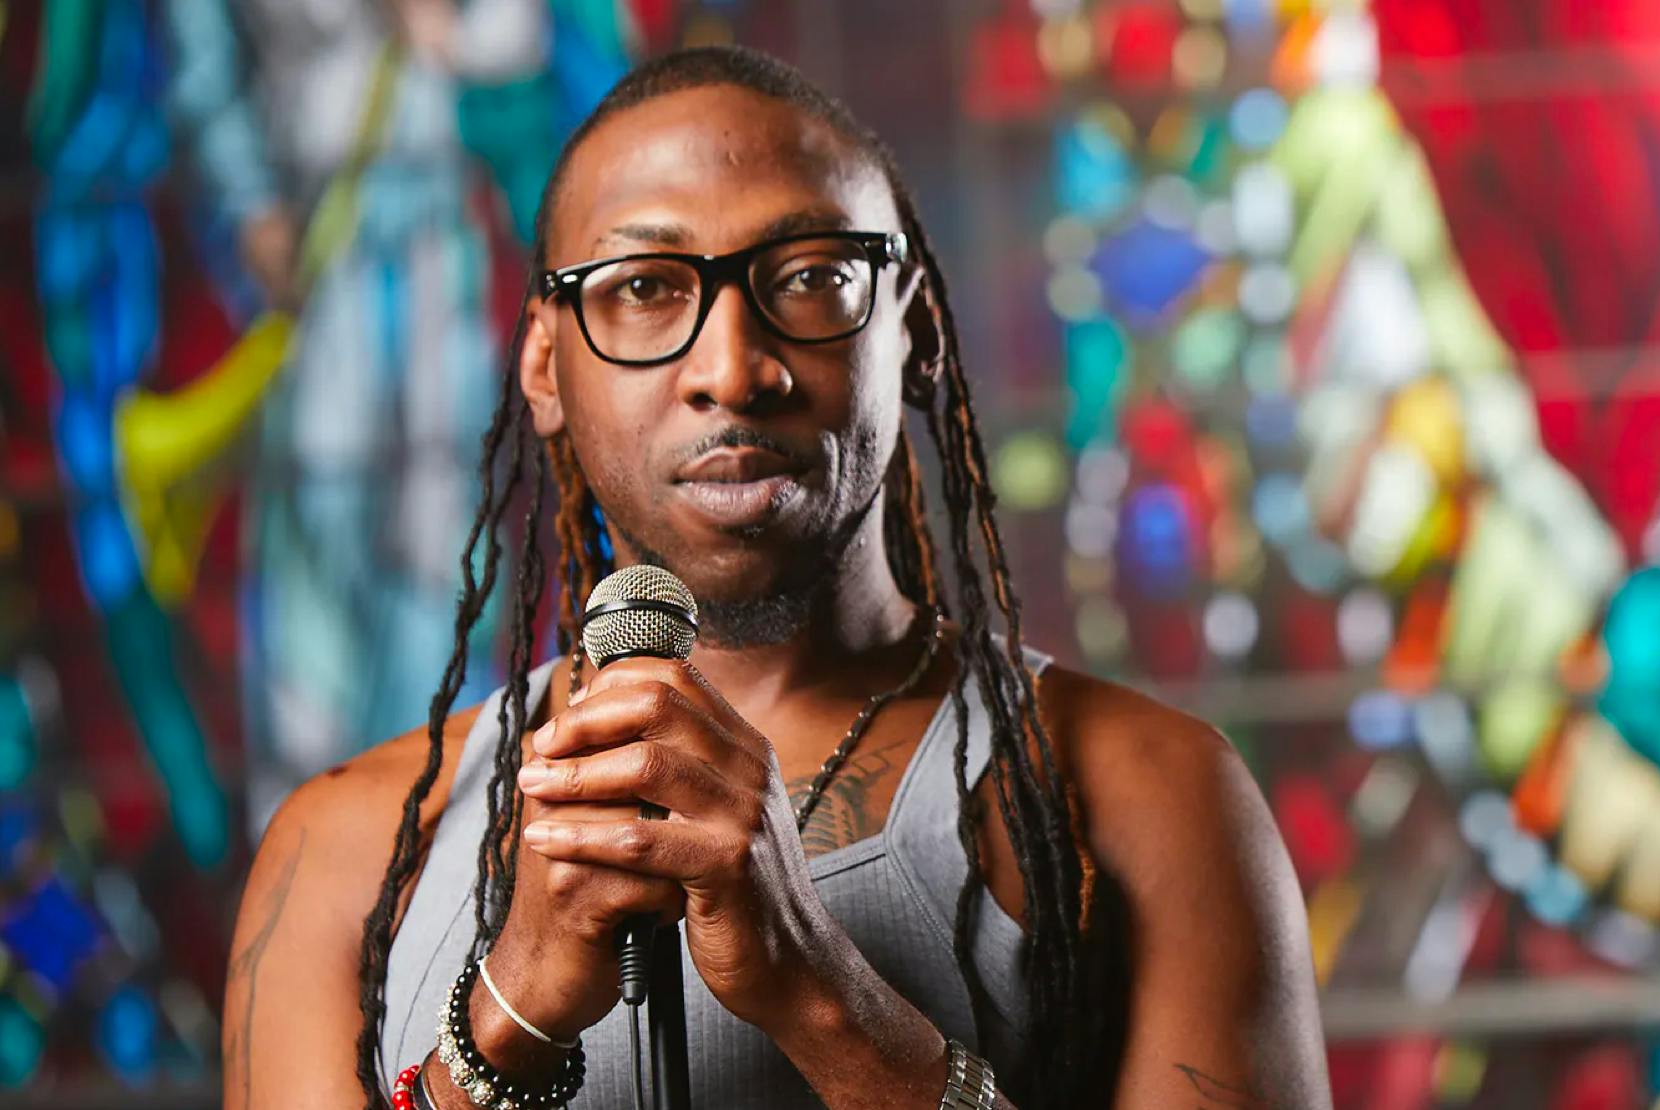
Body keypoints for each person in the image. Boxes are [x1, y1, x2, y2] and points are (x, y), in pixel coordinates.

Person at [219, 45, 1329, 1110]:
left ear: (916, 330)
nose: (731, 368)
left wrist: (818, 993)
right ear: (546, 364)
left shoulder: (1149, 800)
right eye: (645, 286)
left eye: (809, 278)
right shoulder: (350, 851)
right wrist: (515, 1008)